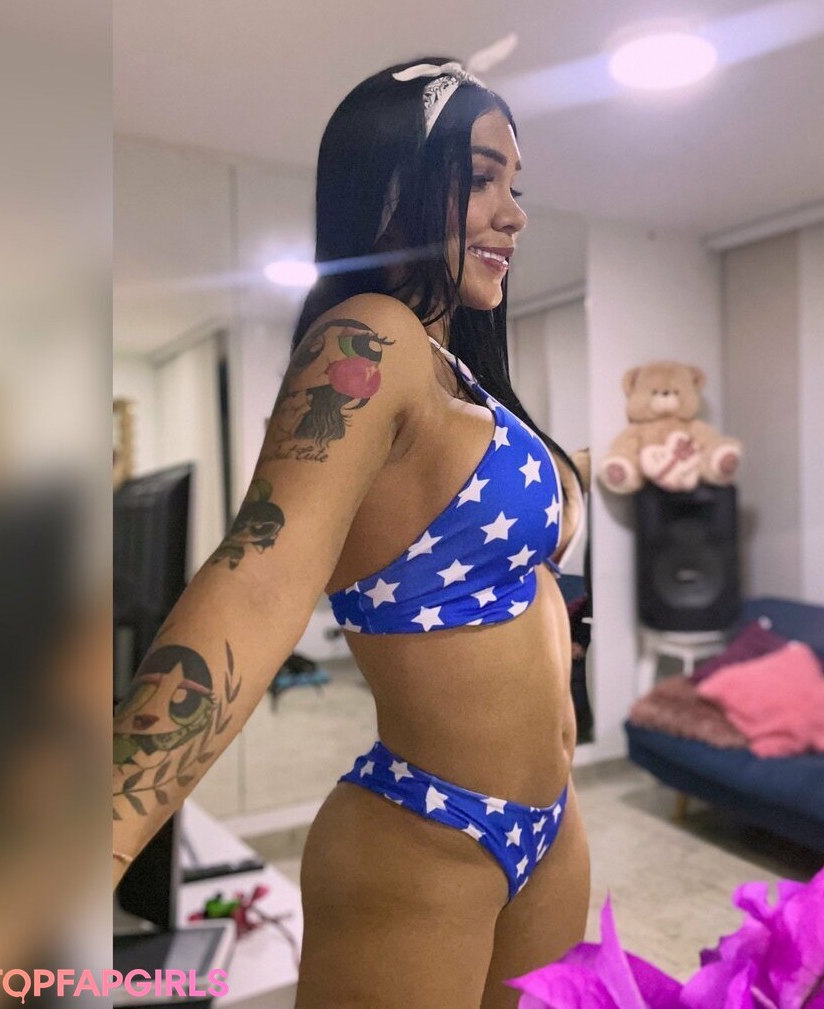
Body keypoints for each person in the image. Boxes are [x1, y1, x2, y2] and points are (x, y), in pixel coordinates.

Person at [112, 56, 592, 1008]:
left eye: (517, 186)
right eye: (482, 178)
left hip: (551, 825)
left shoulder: (464, 377)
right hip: (428, 832)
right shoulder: (369, 337)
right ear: (394, 187)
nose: (514, 213)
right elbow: (258, 579)